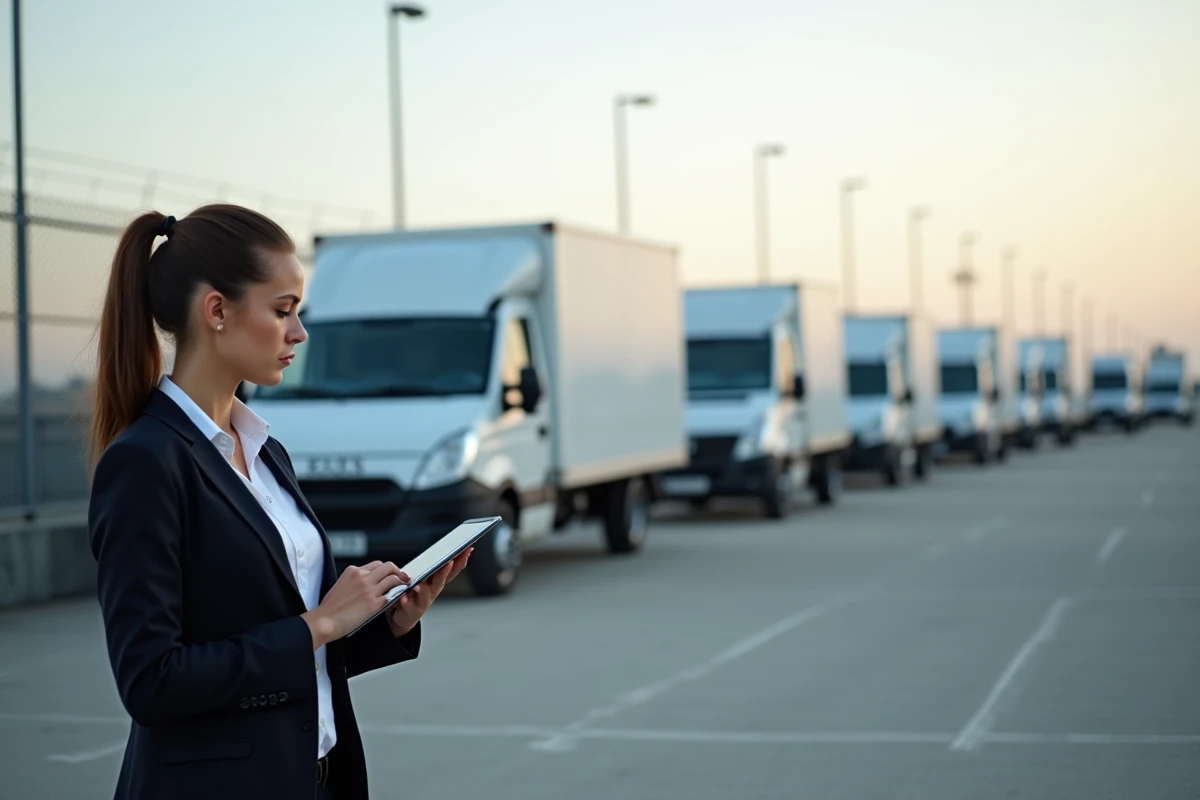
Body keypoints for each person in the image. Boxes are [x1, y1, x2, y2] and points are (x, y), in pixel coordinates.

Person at [86, 203, 471, 800]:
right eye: (283, 310)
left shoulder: (265, 452)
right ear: (216, 310)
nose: (300, 333)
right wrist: (318, 622)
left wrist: (383, 623)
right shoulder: (145, 463)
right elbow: (152, 683)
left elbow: (291, 653)